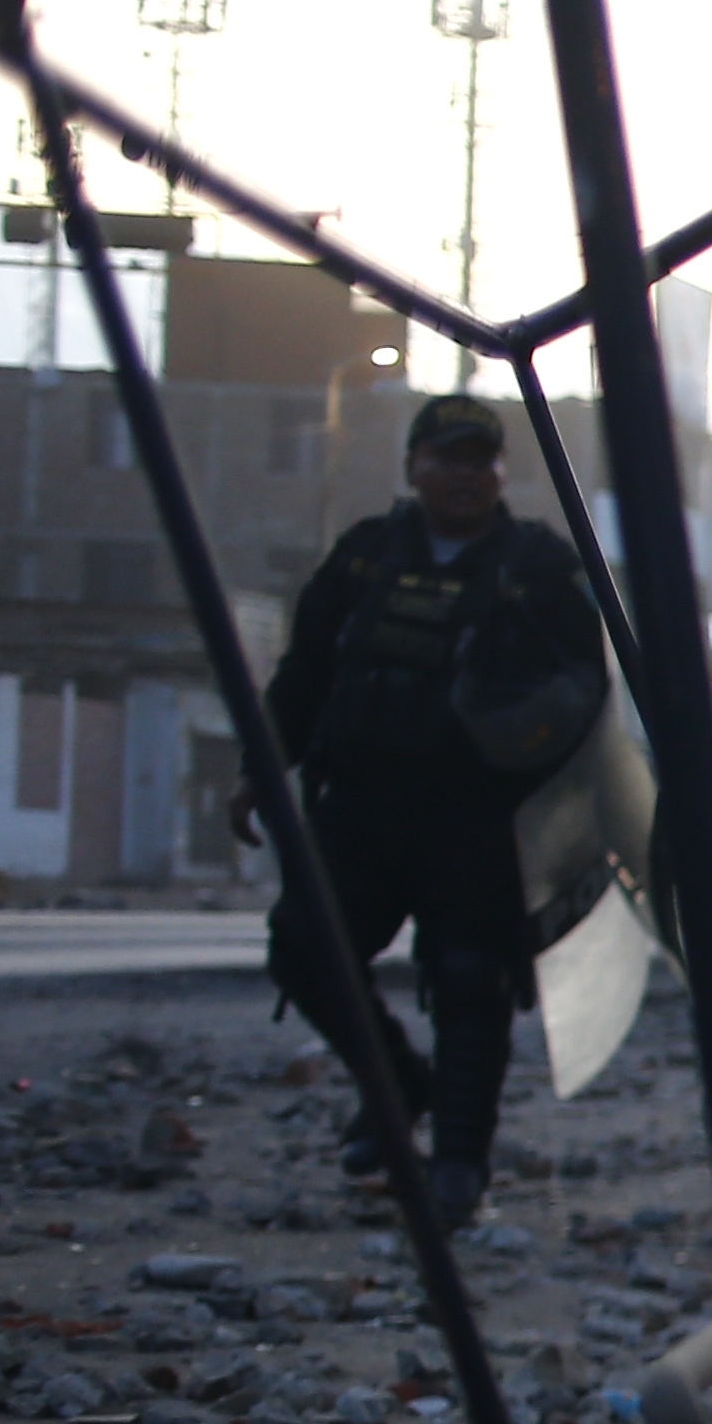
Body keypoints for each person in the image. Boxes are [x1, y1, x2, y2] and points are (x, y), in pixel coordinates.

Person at [249, 388, 609, 1228]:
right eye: (445, 458)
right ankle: (397, 1086)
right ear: (413, 467)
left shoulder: (538, 570)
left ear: (500, 473)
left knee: (470, 987)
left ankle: (458, 1164)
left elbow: (588, 694)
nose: (462, 475)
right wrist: (257, 768)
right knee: (307, 952)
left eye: (479, 460)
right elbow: (302, 676)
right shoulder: (364, 558)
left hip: (479, 822)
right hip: (362, 809)